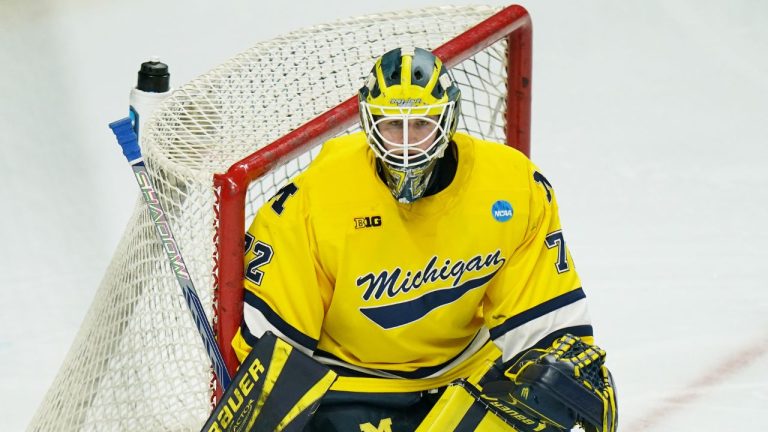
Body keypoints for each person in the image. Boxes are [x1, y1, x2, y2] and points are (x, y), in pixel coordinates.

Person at [230, 47, 617, 432]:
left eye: (421, 124)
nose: (406, 142)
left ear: (447, 121)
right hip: (350, 385)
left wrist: (558, 372)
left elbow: (542, 319)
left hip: (466, 377)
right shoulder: (314, 199)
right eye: (392, 125)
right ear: (369, 122)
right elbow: (272, 348)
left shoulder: (513, 187)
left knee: (555, 390)